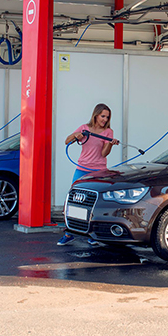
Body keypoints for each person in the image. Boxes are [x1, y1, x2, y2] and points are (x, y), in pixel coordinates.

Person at [58, 103, 119, 246]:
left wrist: (110, 143)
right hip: (81, 169)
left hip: (98, 171)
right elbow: (67, 141)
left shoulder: (108, 132)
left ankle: (93, 235)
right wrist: (76, 135)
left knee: (93, 204)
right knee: (74, 201)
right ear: (96, 115)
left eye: (107, 117)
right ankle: (69, 233)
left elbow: (104, 153)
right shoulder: (84, 128)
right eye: (102, 116)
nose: (105, 119)